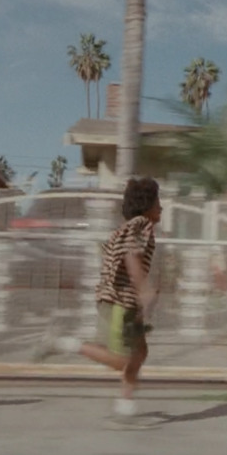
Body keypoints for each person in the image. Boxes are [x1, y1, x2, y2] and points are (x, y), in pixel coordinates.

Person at [63, 177, 161, 419]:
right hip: (120, 303)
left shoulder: (127, 227)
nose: (162, 207)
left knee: (139, 353)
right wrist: (145, 291)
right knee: (122, 360)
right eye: (158, 202)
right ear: (147, 204)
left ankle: (125, 406)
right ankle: (66, 343)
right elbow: (131, 257)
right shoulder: (142, 224)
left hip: (124, 302)